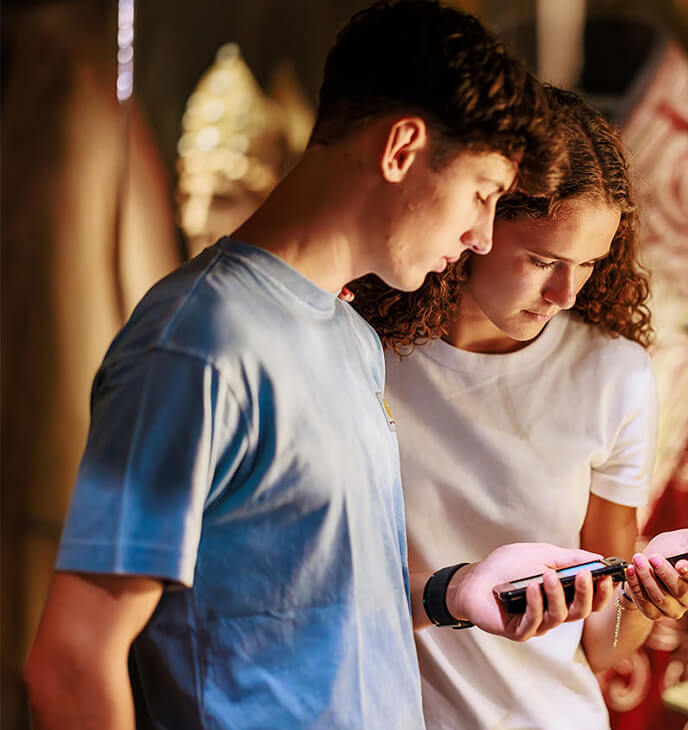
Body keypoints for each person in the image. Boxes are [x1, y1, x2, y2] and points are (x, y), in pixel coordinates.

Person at [22, 3, 619, 729]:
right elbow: (74, 660)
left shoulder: (349, 335)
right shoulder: (199, 345)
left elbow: (305, 604)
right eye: (482, 194)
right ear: (402, 147)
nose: (479, 235)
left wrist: (452, 593)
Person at [350, 86, 688, 729]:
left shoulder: (613, 373)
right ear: (476, 220)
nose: (564, 292)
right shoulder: (363, 351)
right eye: (541, 260)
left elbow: (602, 645)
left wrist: (648, 598)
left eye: (588, 264)